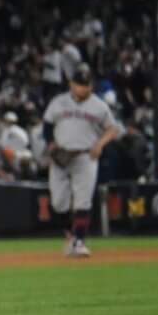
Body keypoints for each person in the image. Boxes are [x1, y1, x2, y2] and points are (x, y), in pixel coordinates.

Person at [40, 67, 122, 257]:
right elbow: (47, 126)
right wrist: (51, 145)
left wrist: (100, 144)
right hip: (61, 156)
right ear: (71, 84)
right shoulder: (58, 102)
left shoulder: (99, 106)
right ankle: (70, 234)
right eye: (80, 84)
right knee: (58, 203)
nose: (83, 88)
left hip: (86, 156)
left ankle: (79, 241)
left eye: (86, 84)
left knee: (83, 200)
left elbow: (112, 129)